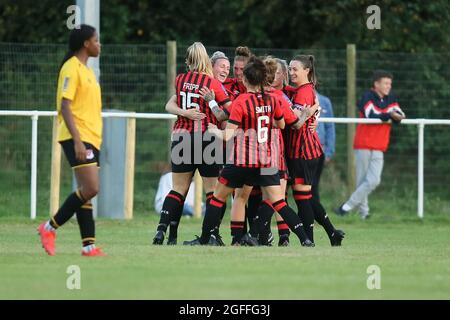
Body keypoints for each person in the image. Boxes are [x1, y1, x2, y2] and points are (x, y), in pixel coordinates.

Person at [183, 56, 314, 247]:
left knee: (218, 198)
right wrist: (305, 114)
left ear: (245, 80)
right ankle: (305, 239)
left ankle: (204, 240)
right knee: (279, 202)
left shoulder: (241, 101)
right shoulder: (273, 99)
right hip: (267, 161)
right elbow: (290, 124)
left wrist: (214, 131)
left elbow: (228, 135)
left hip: (242, 161)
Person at [152, 42, 231, 245]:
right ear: (206, 60)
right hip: (207, 139)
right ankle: (211, 234)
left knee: (177, 189)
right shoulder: (212, 84)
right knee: (213, 191)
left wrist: (185, 112)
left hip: (181, 137)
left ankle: (162, 232)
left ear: (188, 61)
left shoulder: (180, 80)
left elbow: (173, 102)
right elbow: (229, 111)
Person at [36, 24, 105, 257]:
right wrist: (77, 140)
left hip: (91, 137)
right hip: (78, 136)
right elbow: (65, 105)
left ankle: (89, 246)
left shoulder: (87, 71)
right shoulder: (70, 68)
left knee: (85, 190)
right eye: (96, 40)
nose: (99, 44)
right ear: (86, 43)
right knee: (92, 188)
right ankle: (49, 227)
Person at [287, 55, 344, 246]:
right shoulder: (303, 90)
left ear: (307, 71)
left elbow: (296, 122)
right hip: (305, 150)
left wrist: (309, 112)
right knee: (306, 197)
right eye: (290, 68)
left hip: (304, 152)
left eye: (295, 69)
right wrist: (313, 110)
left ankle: (309, 240)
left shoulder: (304, 92)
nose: (291, 72)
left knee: (303, 198)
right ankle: (331, 233)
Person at [336, 70, 405, 219]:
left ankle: (346, 207)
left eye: (390, 84)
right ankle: (364, 214)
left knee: (373, 181)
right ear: (376, 84)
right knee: (362, 181)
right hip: (364, 144)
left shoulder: (391, 98)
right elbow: (370, 113)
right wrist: (389, 115)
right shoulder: (367, 96)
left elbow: (399, 115)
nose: (388, 86)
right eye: (386, 83)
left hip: (380, 145)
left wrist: (394, 116)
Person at [313, 92, 336, 202]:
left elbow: (330, 127)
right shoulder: (292, 96)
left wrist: (329, 151)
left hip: (319, 150)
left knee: (313, 186)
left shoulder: (325, 101)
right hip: (300, 151)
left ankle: (316, 215)